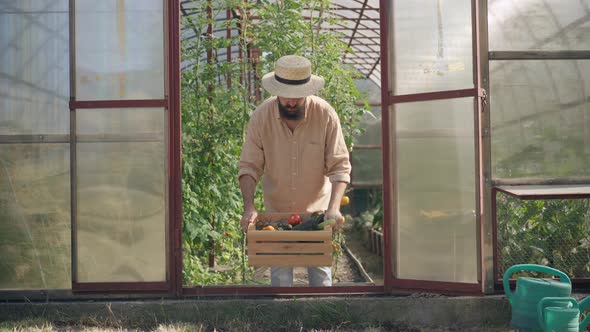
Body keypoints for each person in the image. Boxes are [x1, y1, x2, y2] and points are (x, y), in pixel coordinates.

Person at [238, 55, 351, 287]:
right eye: (285, 96)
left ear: (308, 91)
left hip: (318, 214)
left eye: (296, 98)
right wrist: (249, 207)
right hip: (277, 215)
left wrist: (334, 208)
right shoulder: (261, 117)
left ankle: (322, 321)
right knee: (280, 280)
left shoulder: (326, 115)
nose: (290, 102)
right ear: (276, 90)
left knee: (321, 278)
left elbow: (339, 166)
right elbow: (249, 166)